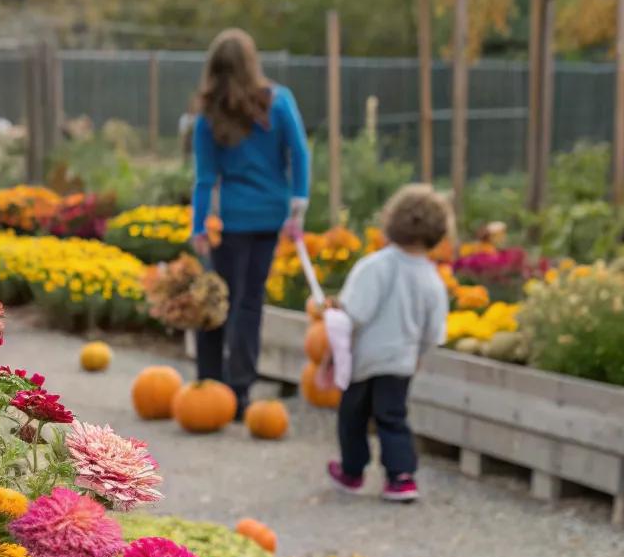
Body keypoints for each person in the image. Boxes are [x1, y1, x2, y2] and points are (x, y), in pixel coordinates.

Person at [191, 29, 310, 417]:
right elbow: (300, 153)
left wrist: (198, 226)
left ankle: (209, 382)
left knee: (218, 301)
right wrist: (298, 206)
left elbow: (205, 178)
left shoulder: (208, 115)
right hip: (270, 216)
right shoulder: (279, 101)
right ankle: (240, 392)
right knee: (249, 303)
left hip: (231, 221)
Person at [327, 184, 451, 504]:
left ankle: (353, 471)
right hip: (401, 361)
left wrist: (332, 317)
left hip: (364, 358)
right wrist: (419, 354)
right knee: (392, 417)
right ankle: (401, 477)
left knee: (352, 416)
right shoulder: (432, 280)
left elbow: (355, 312)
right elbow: (434, 330)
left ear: (392, 221)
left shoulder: (375, 266)